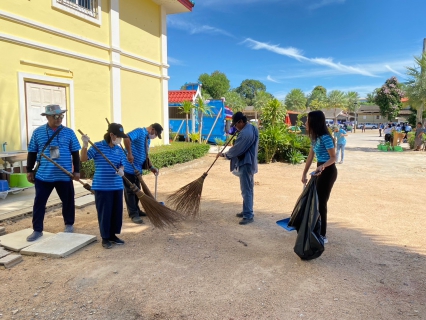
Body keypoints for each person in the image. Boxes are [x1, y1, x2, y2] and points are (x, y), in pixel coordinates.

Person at [25, 105, 81, 241]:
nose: (59, 119)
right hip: (44, 175)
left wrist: (77, 171)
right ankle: (37, 230)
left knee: (68, 201)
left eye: (61, 116)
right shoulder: (38, 132)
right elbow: (32, 152)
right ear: (48, 117)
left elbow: (75, 153)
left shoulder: (69, 132)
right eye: (56, 116)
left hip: (64, 174)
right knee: (39, 203)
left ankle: (69, 224)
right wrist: (29, 170)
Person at [80, 123, 127, 249]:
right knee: (105, 213)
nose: (120, 139)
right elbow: (84, 159)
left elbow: (122, 163)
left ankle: (113, 235)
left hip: (117, 185)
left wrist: (121, 169)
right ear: (111, 135)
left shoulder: (119, 149)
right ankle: (105, 238)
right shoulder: (98, 146)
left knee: (116, 212)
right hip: (102, 186)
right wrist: (84, 145)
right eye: (119, 137)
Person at [216, 112, 259, 225]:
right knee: (248, 189)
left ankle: (248, 215)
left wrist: (225, 155)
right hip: (249, 162)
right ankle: (246, 211)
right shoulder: (251, 128)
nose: (235, 127)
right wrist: (237, 131)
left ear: (241, 122)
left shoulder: (245, 134)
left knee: (246, 190)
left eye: (236, 125)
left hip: (246, 163)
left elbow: (237, 149)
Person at [302, 111, 337, 244]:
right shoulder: (315, 138)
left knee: (321, 202)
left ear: (314, 122)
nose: (306, 123)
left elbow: (334, 158)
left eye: (307, 120)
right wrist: (304, 173)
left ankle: (322, 235)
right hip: (319, 170)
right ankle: (315, 229)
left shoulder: (326, 138)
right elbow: (310, 157)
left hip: (328, 171)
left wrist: (322, 167)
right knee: (314, 201)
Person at [123, 123, 163, 224]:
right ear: (152, 129)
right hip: (129, 168)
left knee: (138, 190)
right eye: (156, 134)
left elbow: (145, 155)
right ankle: (133, 214)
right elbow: (126, 137)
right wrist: (129, 153)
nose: (154, 137)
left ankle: (137, 210)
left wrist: (151, 167)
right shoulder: (140, 131)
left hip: (138, 169)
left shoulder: (147, 139)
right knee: (130, 191)